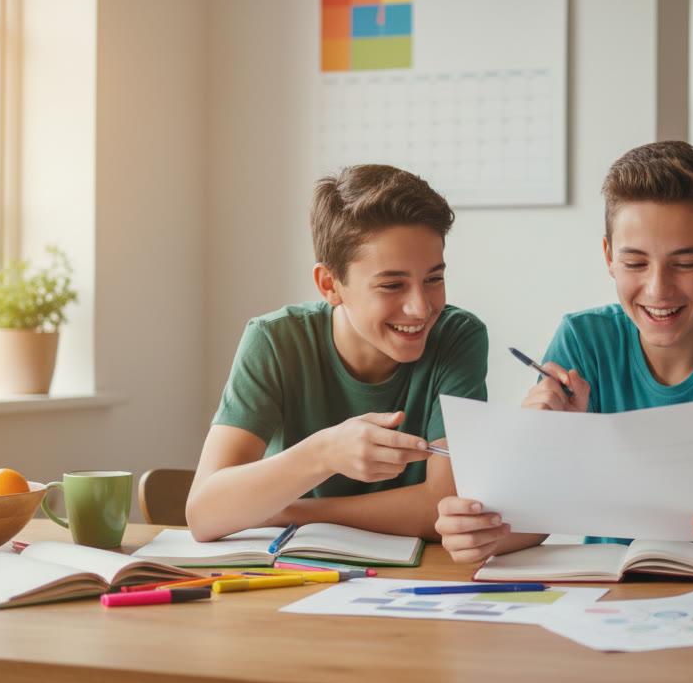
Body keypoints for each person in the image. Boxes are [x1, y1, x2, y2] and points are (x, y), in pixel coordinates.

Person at [435, 141, 693, 576]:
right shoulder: (583, 339)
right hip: (613, 590)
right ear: (609, 258)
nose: (658, 289)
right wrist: (481, 527)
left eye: (685, 263)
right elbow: (534, 518)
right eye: (635, 263)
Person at [187, 164, 487, 542]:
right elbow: (203, 514)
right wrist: (324, 453)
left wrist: (289, 511)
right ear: (330, 285)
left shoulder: (458, 338)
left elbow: (443, 506)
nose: (421, 308)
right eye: (392, 285)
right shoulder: (275, 341)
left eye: (434, 279)